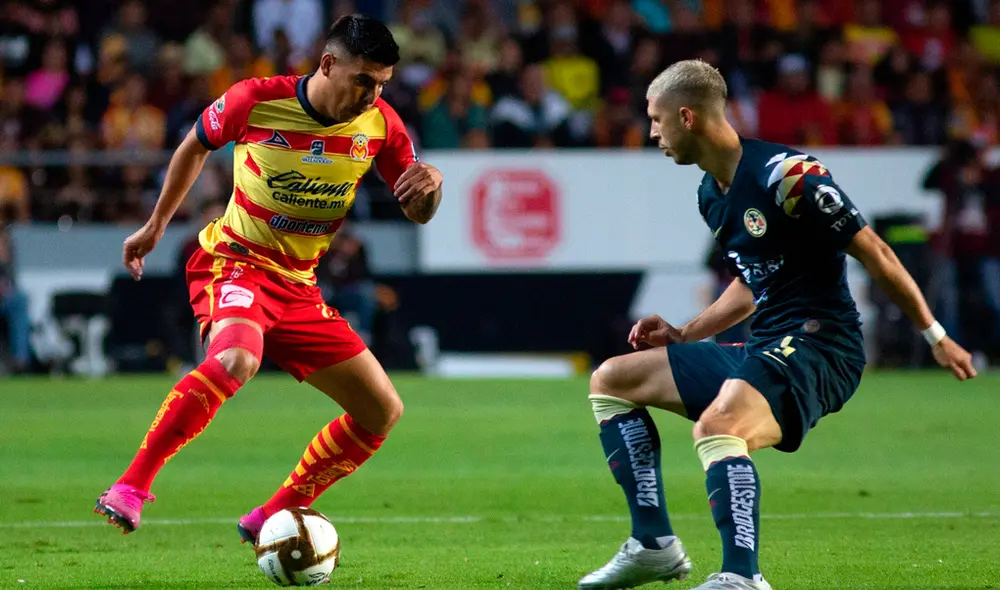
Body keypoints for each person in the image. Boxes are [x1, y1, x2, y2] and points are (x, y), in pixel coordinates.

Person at [578, 59, 975, 590]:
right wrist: (684, 333)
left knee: (718, 427)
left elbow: (875, 251)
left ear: (687, 117)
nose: (651, 132)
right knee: (612, 380)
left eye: (655, 119)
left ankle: (742, 578)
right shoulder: (710, 193)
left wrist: (936, 335)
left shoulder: (789, 177)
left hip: (822, 346)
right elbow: (751, 282)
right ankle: (654, 545)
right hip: (766, 343)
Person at [93, 15, 444, 546]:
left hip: (298, 287)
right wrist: (156, 225)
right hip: (234, 262)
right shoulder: (256, 99)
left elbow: (418, 211)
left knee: (381, 410)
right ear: (328, 64)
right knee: (237, 358)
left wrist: (433, 185)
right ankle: (132, 485)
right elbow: (193, 145)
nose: (373, 95)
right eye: (364, 81)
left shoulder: (382, 126)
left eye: (382, 84)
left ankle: (276, 512)